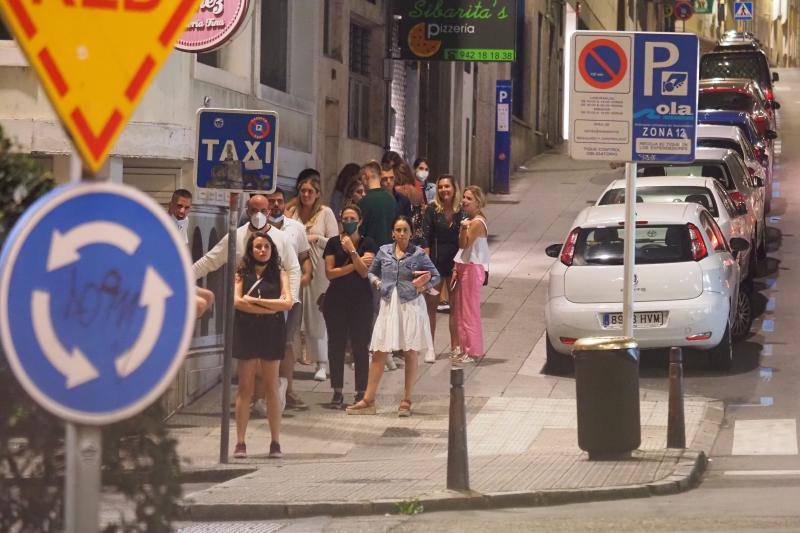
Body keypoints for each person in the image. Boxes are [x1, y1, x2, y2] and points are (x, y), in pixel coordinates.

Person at [346, 216, 440, 417]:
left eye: (405, 230)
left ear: (411, 233)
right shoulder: (384, 251)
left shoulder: (418, 254)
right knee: (379, 349)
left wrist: (424, 286)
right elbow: (371, 272)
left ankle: (406, 399)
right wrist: (378, 284)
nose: (402, 233)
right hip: (389, 303)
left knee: (410, 350)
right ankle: (368, 399)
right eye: (398, 230)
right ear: (392, 233)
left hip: (410, 304)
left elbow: (436, 275)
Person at [232, 231, 293, 459]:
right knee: (245, 386)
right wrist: (269, 308)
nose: (262, 250)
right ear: (251, 249)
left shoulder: (279, 273)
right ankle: (240, 442)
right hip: (246, 330)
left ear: (272, 249)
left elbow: (286, 303)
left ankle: (275, 441)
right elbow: (237, 302)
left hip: (271, 331)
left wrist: (256, 301)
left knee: (271, 386)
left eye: (266, 247)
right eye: (258, 246)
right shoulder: (241, 273)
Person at [255, 188, 313, 411]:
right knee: (260, 345)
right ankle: (257, 394)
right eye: (273, 201)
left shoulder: (296, 228)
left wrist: (305, 276)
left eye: (280, 201)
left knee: (287, 343)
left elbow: (304, 258)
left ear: (286, 204)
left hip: (290, 296)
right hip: (263, 296)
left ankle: (288, 392)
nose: (276, 205)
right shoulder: (255, 227)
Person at [286, 169, 339, 381]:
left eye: (310, 191)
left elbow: (335, 243)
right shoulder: (293, 212)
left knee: (317, 316)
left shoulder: (326, 213)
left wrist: (317, 237)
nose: (306, 195)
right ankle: (296, 358)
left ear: (317, 193)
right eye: (303, 191)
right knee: (295, 314)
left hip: (319, 269)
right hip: (297, 266)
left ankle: (321, 363)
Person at [323, 205, 378, 408]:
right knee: (336, 345)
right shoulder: (332, 243)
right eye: (345, 218)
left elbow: (364, 273)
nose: (348, 221)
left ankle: (361, 391)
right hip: (336, 300)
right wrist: (354, 264)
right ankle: (337, 391)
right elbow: (330, 273)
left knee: (360, 346)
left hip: (361, 301)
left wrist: (353, 251)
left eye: (352, 217)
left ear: (360, 221)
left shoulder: (368, 242)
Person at [422, 175, 464, 361]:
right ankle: (430, 347)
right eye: (440, 187)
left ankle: (455, 346)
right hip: (436, 263)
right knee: (431, 306)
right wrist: (427, 266)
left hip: (455, 262)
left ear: (454, 189)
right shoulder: (431, 209)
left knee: (455, 307)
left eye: (447, 186)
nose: (443, 190)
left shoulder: (461, 211)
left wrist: (460, 264)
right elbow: (425, 238)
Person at [450, 186, 489, 365]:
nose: (464, 201)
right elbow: (461, 245)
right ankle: (465, 348)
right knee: (460, 310)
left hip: (472, 269)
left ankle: (472, 351)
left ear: (478, 202)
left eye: (469, 198)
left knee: (469, 311)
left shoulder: (477, 223)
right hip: (465, 267)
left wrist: (464, 229)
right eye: (464, 197)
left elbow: (465, 244)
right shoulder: (469, 220)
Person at [357, 161, 396, 246]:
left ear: (365, 177)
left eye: (361, 179)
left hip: (370, 254)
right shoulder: (392, 200)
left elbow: (359, 234)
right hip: (390, 253)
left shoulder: (363, 203)